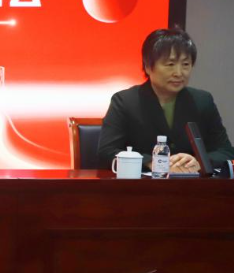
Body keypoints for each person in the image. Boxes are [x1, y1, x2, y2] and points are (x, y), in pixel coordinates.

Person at [97, 27, 234, 173]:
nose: (179, 73)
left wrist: (199, 162)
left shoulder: (202, 101)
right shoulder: (125, 102)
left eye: (185, 64)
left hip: (190, 184)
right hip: (143, 185)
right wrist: (151, 162)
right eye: (170, 64)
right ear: (148, 67)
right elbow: (106, 153)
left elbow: (225, 151)